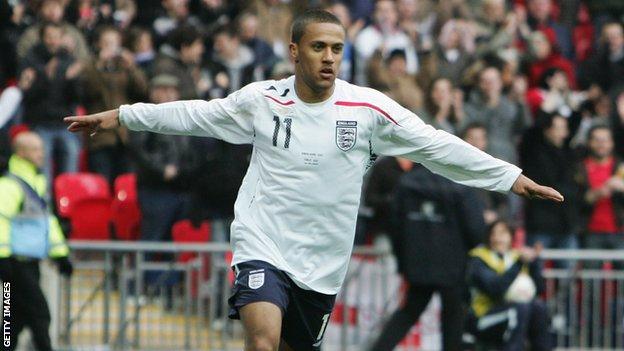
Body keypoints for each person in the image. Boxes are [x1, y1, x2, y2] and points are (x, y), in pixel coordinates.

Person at [65, 10, 563, 351]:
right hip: (262, 239)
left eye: (337, 49)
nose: (329, 57)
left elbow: (435, 145)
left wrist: (509, 177)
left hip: (323, 261)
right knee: (261, 339)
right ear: (294, 51)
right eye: (319, 47)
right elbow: (196, 114)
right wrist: (125, 115)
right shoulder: (262, 100)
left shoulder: (368, 109)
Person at [369, 163, 485, 351]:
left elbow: (395, 225)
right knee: (453, 320)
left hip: (417, 262)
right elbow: (476, 229)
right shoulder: (460, 181)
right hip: (453, 263)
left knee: (407, 313)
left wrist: (404, 258)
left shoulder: (406, 182)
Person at [0, 131, 73, 351]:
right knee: (39, 315)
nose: (41, 154)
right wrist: (2, 258)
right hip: (15, 264)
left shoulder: (36, 182)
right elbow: (0, 222)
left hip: (30, 263)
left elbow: (47, 222)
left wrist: (61, 254)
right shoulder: (9, 185)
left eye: (42, 149)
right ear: (21, 152)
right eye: (35, 149)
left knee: (12, 320)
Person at [465, 220, 551, 351]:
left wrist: (534, 263)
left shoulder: (516, 256)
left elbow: (539, 290)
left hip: (516, 312)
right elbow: (495, 289)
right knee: (518, 310)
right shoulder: (478, 259)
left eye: (503, 233)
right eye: (494, 234)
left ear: (511, 237)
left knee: (538, 307)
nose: (498, 238)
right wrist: (519, 264)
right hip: (483, 318)